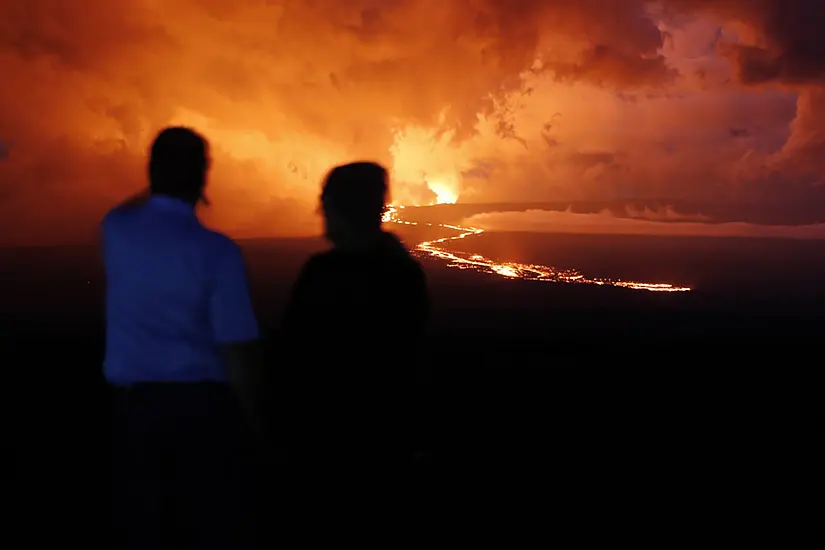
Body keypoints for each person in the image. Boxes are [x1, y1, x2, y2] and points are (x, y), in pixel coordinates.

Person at [103, 127, 265, 548]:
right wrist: (254, 424)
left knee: (142, 525)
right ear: (203, 176)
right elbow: (239, 347)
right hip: (201, 412)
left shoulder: (116, 230)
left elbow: (131, 208)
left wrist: (164, 183)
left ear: (152, 170)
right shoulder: (216, 252)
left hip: (131, 411)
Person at [277, 162, 430, 526]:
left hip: (328, 448)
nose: (320, 213)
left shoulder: (322, 276)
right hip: (388, 445)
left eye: (326, 203)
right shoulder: (404, 274)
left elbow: (294, 355)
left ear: (343, 208)